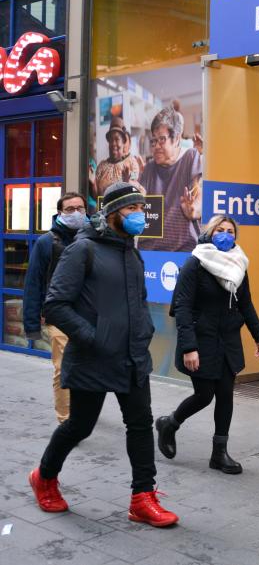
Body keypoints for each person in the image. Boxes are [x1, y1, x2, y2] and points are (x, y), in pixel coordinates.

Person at [27, 182, 179, 527]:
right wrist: (93, 337)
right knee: (80, 425)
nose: (140, 215)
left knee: (140, 424)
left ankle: (143, 497)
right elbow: (55, 305)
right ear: (112, 214)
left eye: (141, 208)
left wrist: (144, 333)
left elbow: (138, 301)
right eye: (132, 209)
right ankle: (45, 477)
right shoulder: (83, 250)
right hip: (93, 356)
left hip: (132, 357)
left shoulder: (132, 251)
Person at [156, 215, 259, 475]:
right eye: (221, 230)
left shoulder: (239, 264)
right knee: (204, 395)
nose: (226, 235)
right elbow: (181, 307)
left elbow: (245, 303)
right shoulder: (195, 263)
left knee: (226, 395)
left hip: (228, 340)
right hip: (201, 339)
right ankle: (169, 424)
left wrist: (258, 335)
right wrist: (188, 347)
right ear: (210, 233)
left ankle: (219, 454)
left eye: (230, 231)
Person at [23, 192, 87, 424]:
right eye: (70, 209)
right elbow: (33, 283)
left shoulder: (90, 238)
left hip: (87, 314)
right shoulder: (46, 242)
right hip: (58, 315)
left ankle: (81, 408)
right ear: (60, 213)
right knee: (64, 367)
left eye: (80, 208)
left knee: (85, 367)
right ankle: (66, 420)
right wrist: (31, 324)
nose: (77, 213)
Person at [138, 102, 203, 252]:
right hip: (151, 253)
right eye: (153, 140)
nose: (156, 146)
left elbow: (199, 194)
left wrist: (194, 209)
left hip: (183, 252)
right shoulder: (149, 168)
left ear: (177, 139)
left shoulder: (190, 158)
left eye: (162, 139)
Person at [93, 116, 143, 197]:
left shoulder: (132, 163)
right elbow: (97, 197)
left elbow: (135, 185)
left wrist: (127, 182)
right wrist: (92, 183)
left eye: (117, 139)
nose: (113, 143)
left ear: (123, 142)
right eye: (111, 140)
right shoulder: (101, 167)